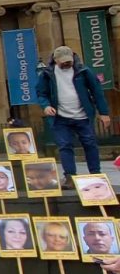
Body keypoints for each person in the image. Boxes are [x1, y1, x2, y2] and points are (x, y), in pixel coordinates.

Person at [37, 45, 111, 190]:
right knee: (65, 146)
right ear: (55, 60)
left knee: (90, 143)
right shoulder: (46, 74)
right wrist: (45, 106)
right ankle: (70, 176)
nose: (66, 63)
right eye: (63, 61)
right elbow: (41, 93)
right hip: (61, 117)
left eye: (68, 60)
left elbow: (97, 92)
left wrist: (104, 113)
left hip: (82, 116)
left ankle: (95, 174)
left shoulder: (84, 71)